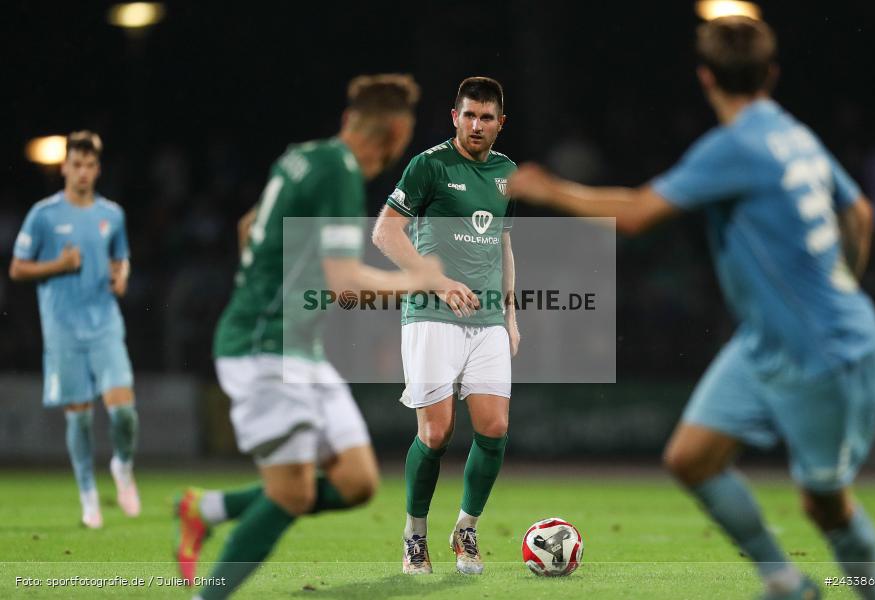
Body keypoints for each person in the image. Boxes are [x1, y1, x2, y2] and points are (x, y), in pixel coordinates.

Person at [509, 16, 875, 600]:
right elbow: (860, 213)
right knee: (691, 458)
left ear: (705, 77)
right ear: (771, 74)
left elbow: (637, 215)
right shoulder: (791, 132)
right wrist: (841, 278)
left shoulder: (734, 147)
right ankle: (787, 582)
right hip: (765, 340)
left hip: (824, 349)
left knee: (826, 506)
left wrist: (548, 189)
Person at [174, 74, 441, 600]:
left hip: (297, 349)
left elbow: (248, 225)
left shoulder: (304, 157)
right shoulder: (340, 173)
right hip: (262, 350)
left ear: (349, 120)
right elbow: (346, 286)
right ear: (393, 136)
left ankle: (208, 510)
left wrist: (276, 276)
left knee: (357, 483)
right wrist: (420, 280)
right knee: (292, 494)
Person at [372, 76, 519, 576]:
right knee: (436, 433)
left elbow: (503, 245)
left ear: (501, 123)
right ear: (454, 117)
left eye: (487, 117)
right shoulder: (429, 165)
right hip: (432, 314)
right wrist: (437, 281)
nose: (477, 125)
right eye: (469, 115)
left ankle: (466, 528)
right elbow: (385, 232)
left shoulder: (507, 173)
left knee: (494, 428)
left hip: (489, 318)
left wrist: (512, 316)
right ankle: (415, 536)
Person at [10, 131, 139, 529]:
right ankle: (88, 496)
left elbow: (122, 258)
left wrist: (122, 278)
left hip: (104, 324)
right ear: (65, 167)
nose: (82, 172)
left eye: (89, 165)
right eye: (76, 164)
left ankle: (122, 465)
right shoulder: (43, 215)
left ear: (97, 170)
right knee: (79, 419)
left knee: (124, 414)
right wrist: (58, 266)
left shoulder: (112, 214)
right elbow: (17, 268)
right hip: (63, 330)